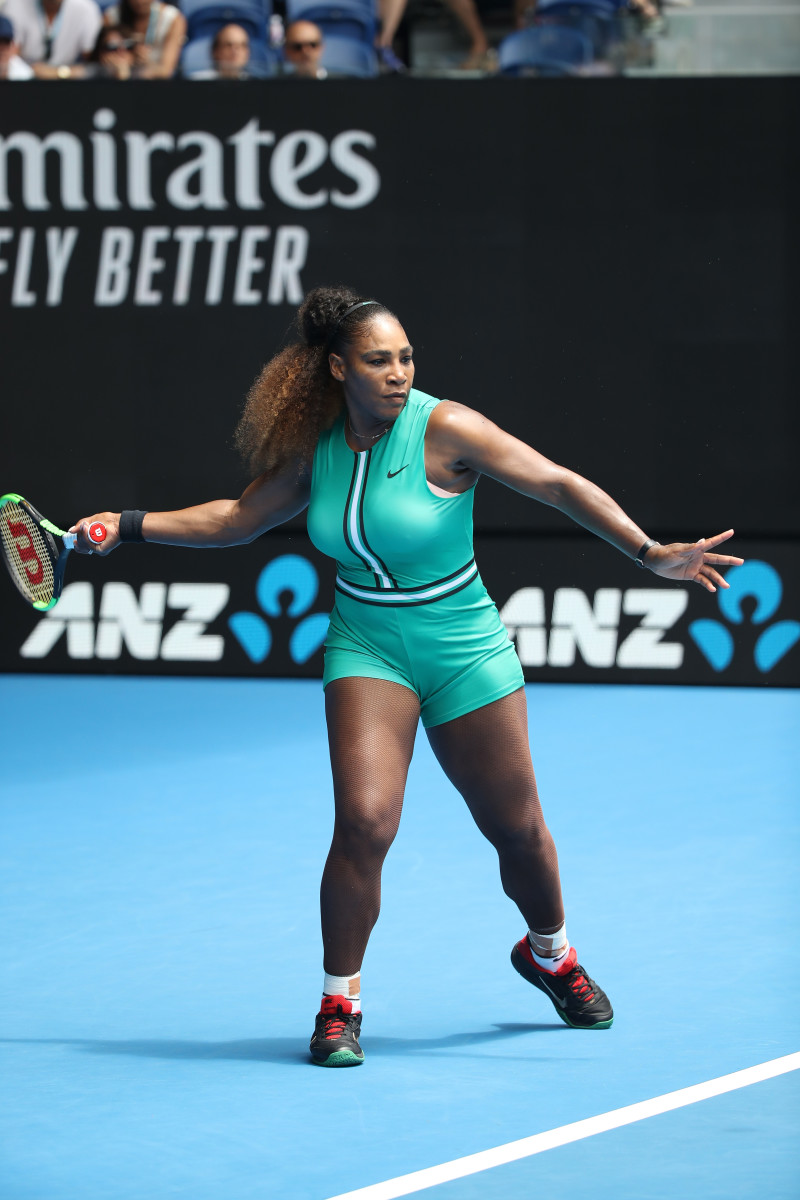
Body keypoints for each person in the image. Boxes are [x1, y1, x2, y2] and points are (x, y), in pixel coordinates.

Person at [70, 285, 743, 1068]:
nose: (398, 373)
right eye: (379, 360)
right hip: (366, 643)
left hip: (463, 645)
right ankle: (338, 1003)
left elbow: (555, 481)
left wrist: (648, 552)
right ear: (337, 369)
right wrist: (126, 526)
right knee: (364, 822)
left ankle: (551, 954)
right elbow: (236, 520)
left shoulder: (447, 428)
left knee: (516, 830)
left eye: (406, 358)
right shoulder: (314, 448)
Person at [2, 0, 101, 76]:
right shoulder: (15, 5)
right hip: (23, 77)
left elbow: (92, 61)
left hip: (69, 80)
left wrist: (59, 73)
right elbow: (8, 52)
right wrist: (29, 71)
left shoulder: (86, 9)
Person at [102, 0, 185, 78]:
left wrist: (145, 66)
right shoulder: (110, 18)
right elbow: (100, 58)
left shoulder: (173, 19)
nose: (140, 1)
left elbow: (166, 71)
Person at [186, 23, 252, 79]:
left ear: (247, 52)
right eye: (228, 45)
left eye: (241, 46)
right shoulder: (197, 82)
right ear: (215, 51)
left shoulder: (256, 84)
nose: (235, 51)